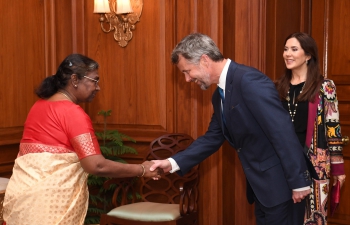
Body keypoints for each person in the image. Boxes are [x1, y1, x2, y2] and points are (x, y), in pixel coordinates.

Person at [149, 33, 316, 225]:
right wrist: (172, 162)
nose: (187, 79)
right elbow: (212, 138)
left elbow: (282, 131)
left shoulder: (249, 81)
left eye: (187, 71)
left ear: (204, 60)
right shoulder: (218, 95)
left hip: (283, 188)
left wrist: (299, 181)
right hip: (263, 190)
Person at [2, 54, 161, 225]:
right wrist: (142, 170)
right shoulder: (72, 113)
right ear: (75, 79)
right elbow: (96, 165)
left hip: (22, 198)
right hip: (49, 204)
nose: (97, 87)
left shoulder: (38, 106)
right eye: (94, 80)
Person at [275, 32, 346, 224]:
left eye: (294, 49)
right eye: (285, 49)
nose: (287, 54)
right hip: (283, 165)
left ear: (308, 55)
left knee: (314, 219)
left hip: (315, 164)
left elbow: (333, 128)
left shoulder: (325, 87)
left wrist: (338, 168)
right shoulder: (278, 88)